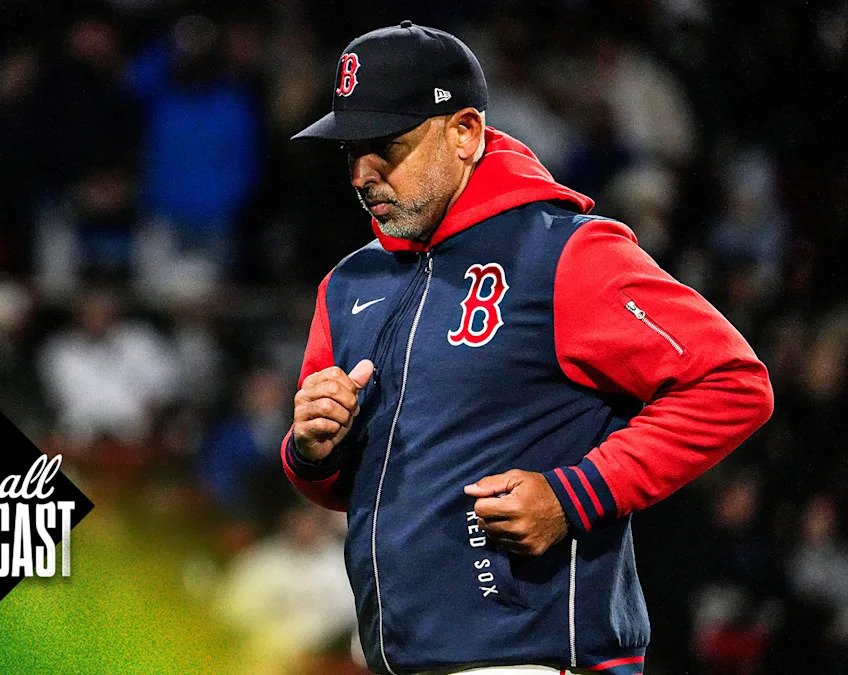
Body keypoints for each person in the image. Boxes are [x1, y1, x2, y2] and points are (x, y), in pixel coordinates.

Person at [280, 21, 773, 675]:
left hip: (539, 655)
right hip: (397, 659)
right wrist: (312, 449)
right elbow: (350, 485)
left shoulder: (564, 252)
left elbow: (732, 383)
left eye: (387, 147)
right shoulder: (349, 285)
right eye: (351, 151)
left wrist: (576, 495)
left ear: (465, 132)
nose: (362, 174)